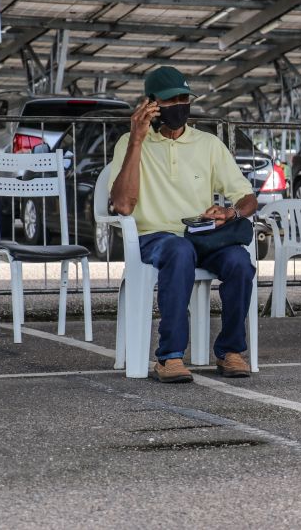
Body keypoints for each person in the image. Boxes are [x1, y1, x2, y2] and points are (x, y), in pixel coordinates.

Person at [109, 66, 257, 383]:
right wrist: (137, 140)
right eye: (171, 100)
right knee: (178, 251)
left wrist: (230, 213)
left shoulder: (208, 144)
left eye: (184, 98)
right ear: (151, 105)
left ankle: (230, 351)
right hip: (155, 238)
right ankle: (170, 357)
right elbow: (122, 205)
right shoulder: (129, 143)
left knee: (239, 261)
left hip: (202, 237)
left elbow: (247, 197)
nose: (179, 105)